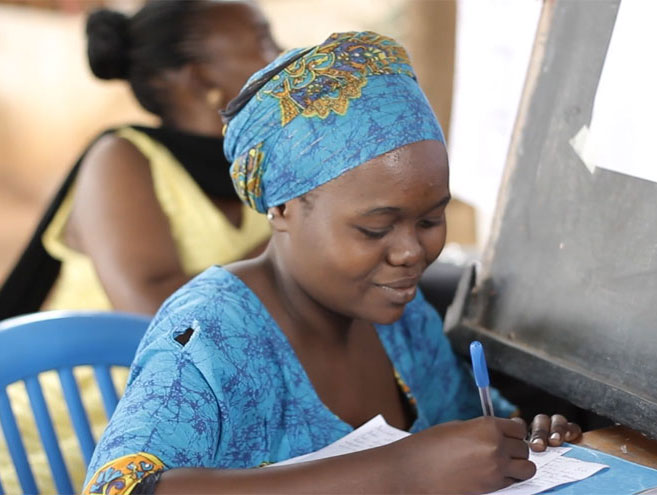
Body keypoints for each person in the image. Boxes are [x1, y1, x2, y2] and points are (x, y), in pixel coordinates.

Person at [82, 31, 581, 495]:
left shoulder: (401, 317)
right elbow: (120, 488)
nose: (411, 252)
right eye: (375, 228)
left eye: (430, 220)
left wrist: (515, 443)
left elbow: (468, 425)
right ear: (282, 209)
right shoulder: (212, 336)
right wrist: (403, 470)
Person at [0, 1, 281, 493]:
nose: (283, 54)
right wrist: (292, 246)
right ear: (199, 78)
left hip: (182, 427)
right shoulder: (123, 160)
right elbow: (155, 313)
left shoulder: (255, 166)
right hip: (64, 432)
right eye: (263, 41)